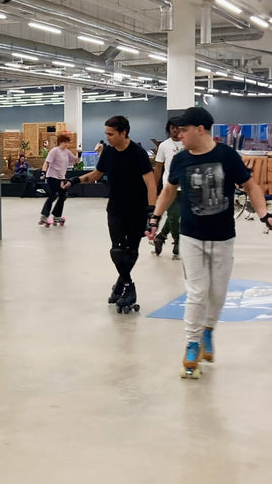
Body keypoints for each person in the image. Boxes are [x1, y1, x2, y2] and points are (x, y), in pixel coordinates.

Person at [145, 107, 272, 378]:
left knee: (217, 294)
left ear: (200, 129)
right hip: (191, 236)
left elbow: (251, 187)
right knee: (197, 292)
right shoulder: (180, 160)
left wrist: (264, 215)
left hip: (223, 237)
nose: (178, 135)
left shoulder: (227, 156)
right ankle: (191, 344)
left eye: (184, 130)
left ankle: (208, 331)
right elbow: (169, 190)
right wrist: (155, 217)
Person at [64, 116, 157, 311]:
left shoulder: (137, 153)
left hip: (137, 211)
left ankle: (120, 284)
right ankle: (128, 285)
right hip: (115, 209)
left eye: (111, 134)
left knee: (131, 251)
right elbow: (96, 175)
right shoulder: (108, 153)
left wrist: (151, 212)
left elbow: (150, 183)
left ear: (124, 133)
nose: (107, 138)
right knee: (116, 250)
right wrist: (74, 181)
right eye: (106, 134)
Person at [152, 117, 184, 259]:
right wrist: (154, 188)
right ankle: (178, 242)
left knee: (180, 216)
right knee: (173, 215)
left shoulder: (187, 143)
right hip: (169, 186)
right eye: (172, 128)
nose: (175, 130)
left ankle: (161, 236)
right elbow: (158, 168)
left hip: (187, 186)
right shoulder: (164, 146)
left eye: (178, 127)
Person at [38, 133, 78, 226]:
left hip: (62, 178)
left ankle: (57, 216)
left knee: (63, 196)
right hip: (52, 176)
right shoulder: (54, 151)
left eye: (68, 142)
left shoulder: (67, 152)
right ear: (61, 142)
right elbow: (47, 162)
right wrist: (43, 172)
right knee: (53, 195)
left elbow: (76, 161)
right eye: (66, 142)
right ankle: (44, 217)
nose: (67, 144)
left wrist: (79, 154)